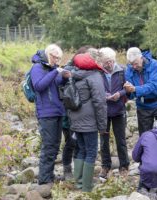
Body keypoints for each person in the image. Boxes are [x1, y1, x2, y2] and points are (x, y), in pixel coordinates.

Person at [30, 44, 71, 197]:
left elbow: (56, 84)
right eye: (56, 58)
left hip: (58, 111)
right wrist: (55, 72)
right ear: (49, 55)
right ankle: (44, 180)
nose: (57, 61)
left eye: (59, 58)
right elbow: (39, 86)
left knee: (54, 146)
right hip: (46, 113)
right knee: (48, 147)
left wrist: (64, 78)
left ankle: (50, 176)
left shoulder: (52, 69)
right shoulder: (37, 68)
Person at [69, 49, 107, 192]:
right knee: (91, 151)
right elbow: (100, 102)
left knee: (81, 150)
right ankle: (86, 187)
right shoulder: (95, 76)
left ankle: (79, 183)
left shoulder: (75, 75)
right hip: (89, 121)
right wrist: (102, 126)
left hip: (76, 119)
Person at [97, 47, 130, 179]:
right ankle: (105, 166)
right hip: (103, 111)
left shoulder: (122, 70)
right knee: (104, 140)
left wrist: (120, 94)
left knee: (120, 139)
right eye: (106, 62)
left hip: (118, 109)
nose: (109, 64)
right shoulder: (98, 72)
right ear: (101, 62)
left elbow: (128, 88)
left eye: (111, 61)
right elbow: (94, 89)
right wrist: (102, 95)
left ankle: (124, 166)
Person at [124, 47, 157, 136]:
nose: (134, 66)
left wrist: (135, 89)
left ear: (141, 58)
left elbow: (152, 85)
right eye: (131, 64)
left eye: (136, 63)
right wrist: (128, 91)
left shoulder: (153, 64)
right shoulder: (129, 70)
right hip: (143, 106)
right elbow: (131, 95)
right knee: (145, 137)